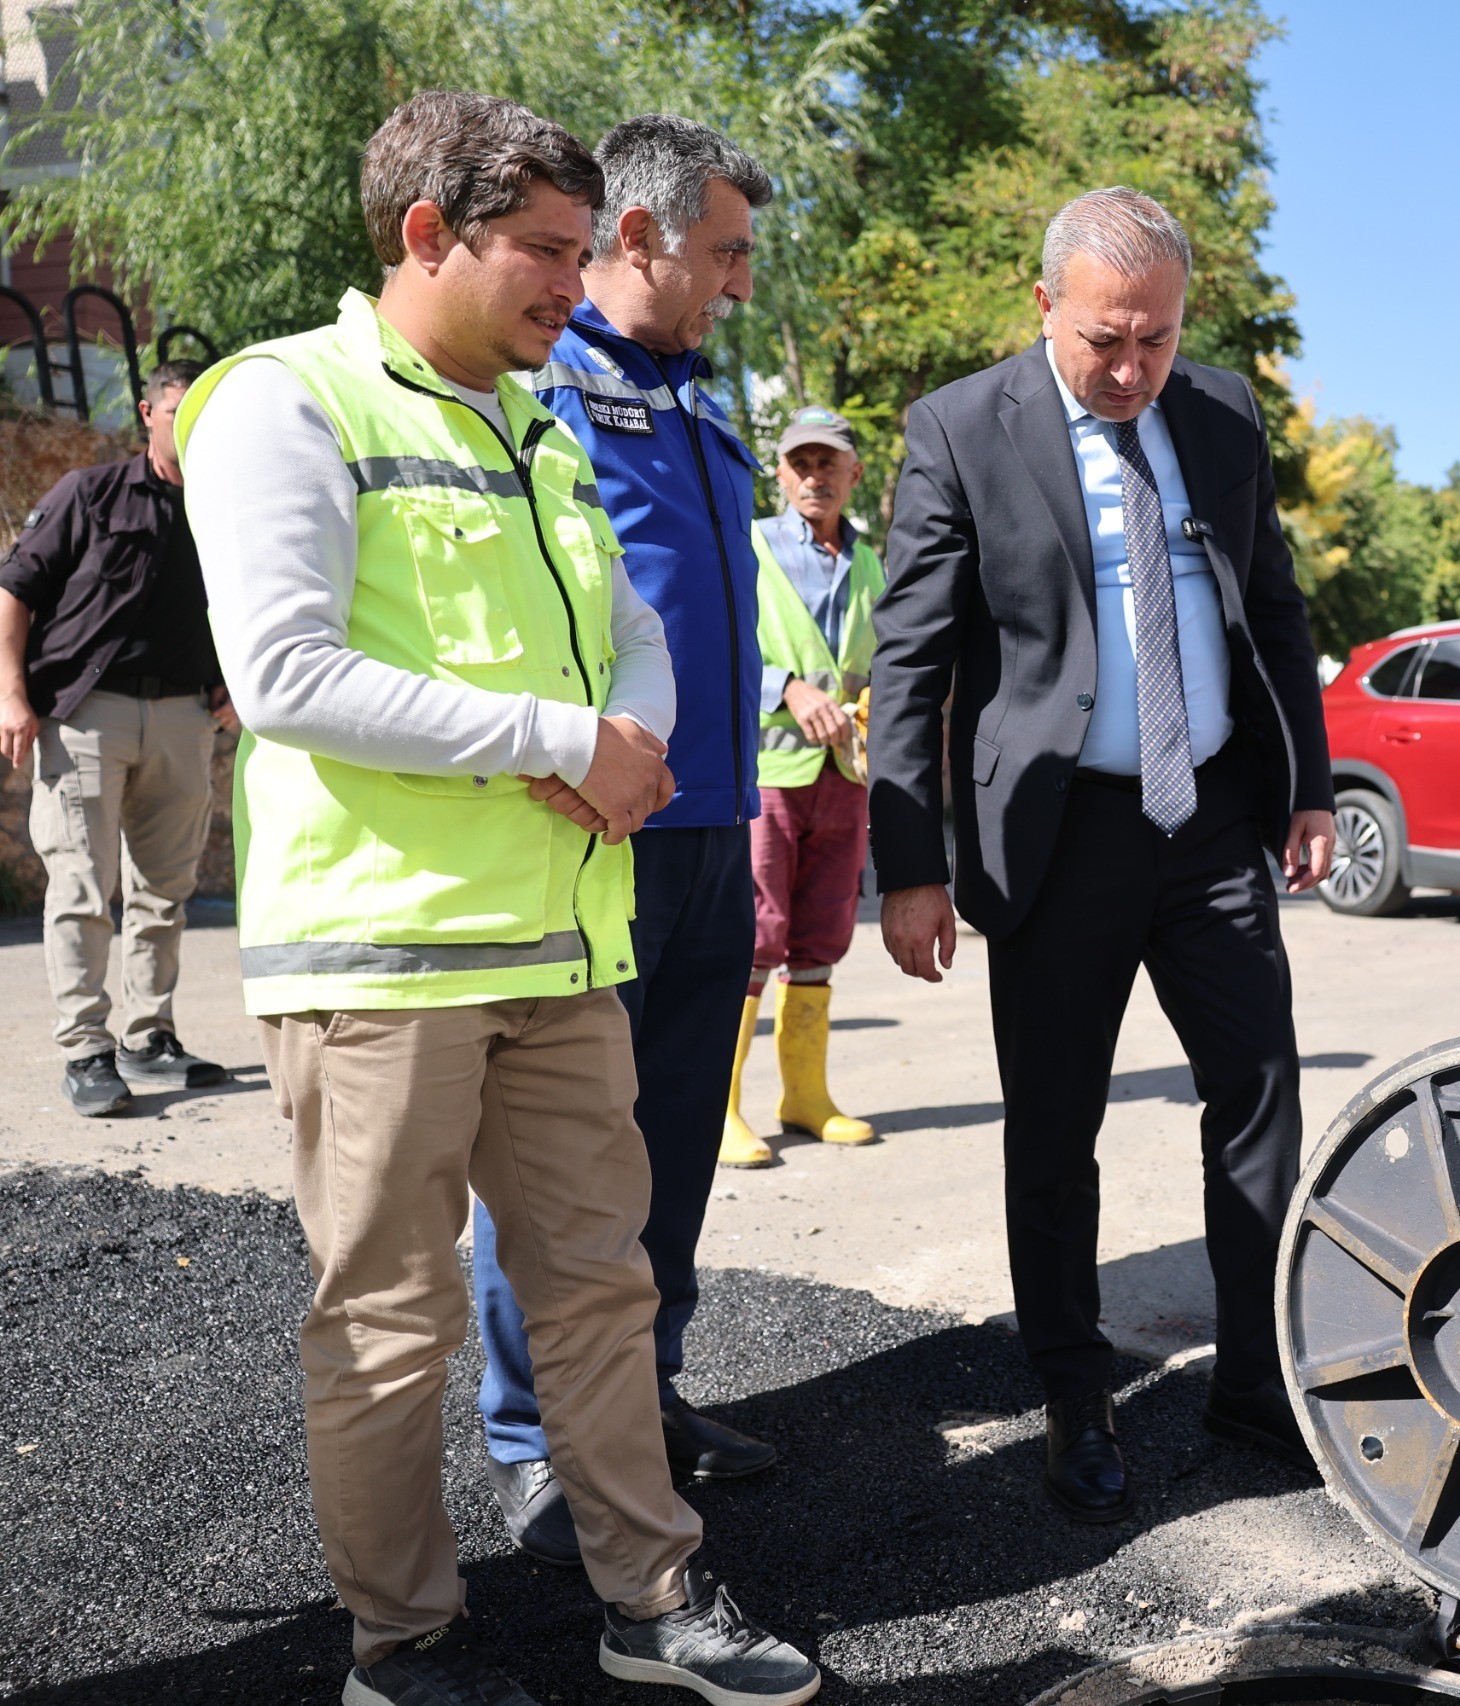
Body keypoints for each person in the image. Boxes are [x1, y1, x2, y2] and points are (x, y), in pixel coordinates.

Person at [176, 90, 816, 1706]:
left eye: (582, 248)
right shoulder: (287, 403)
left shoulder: (538, 425)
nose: (568, 279)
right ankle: (406, 1650)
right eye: (540, 249)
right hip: (380, 955)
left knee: (603, 1286)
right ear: (423, 236)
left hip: (558, 941)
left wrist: (636, 741)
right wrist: (560, 741)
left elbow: (641, 628)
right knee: (391, 1327)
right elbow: (287, 671)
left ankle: (652, 1599)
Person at [870, 186, 1337, 1524]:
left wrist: (1302, 788)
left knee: (1258, 1098)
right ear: (1045, 309)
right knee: (1057, 1122)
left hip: (1212, 826)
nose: (1133, 370)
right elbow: (909, 658)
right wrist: (911, 862)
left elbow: (1274, 600)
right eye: (1105, 342)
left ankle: (1255, 1377)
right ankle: (1075, 1388)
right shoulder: (963, 430)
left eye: (1158, 340)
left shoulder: (1224, 415)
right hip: (1059, 832)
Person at [466, 112, 782, 1568]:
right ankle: (533, 1437)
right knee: (560, 1158)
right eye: (721, 252)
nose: (736, 281)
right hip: (598, 831)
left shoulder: (710, 405)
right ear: (636, 236)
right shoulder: (547, 386)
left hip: (720, 825)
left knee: (670, 1140)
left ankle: (642, 1394)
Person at [0, 360, 235, 1116]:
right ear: (146, 414)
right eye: (176, 412)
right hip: (86, 714)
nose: (188, 427)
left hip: (183, 718)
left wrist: (237, 682)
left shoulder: (227, 509)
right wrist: (11, 695)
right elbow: (14, 590)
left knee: (164, 893)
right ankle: (86, 1048)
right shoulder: (89, 494)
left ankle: (149, 1036)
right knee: (81, 888)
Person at [718, 406, 888, 1167]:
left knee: (821, 935)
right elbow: (717, 637)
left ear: (854, 474)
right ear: (781, 474)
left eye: (830, 463)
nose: (815, 476)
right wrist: (784, 688)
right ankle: (719, 1108)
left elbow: (886, 660)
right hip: (769, 773)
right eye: (802, 463)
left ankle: (805, 1098)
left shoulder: (871, 561)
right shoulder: (748, 543)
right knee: (755, 934)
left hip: (843, 775)